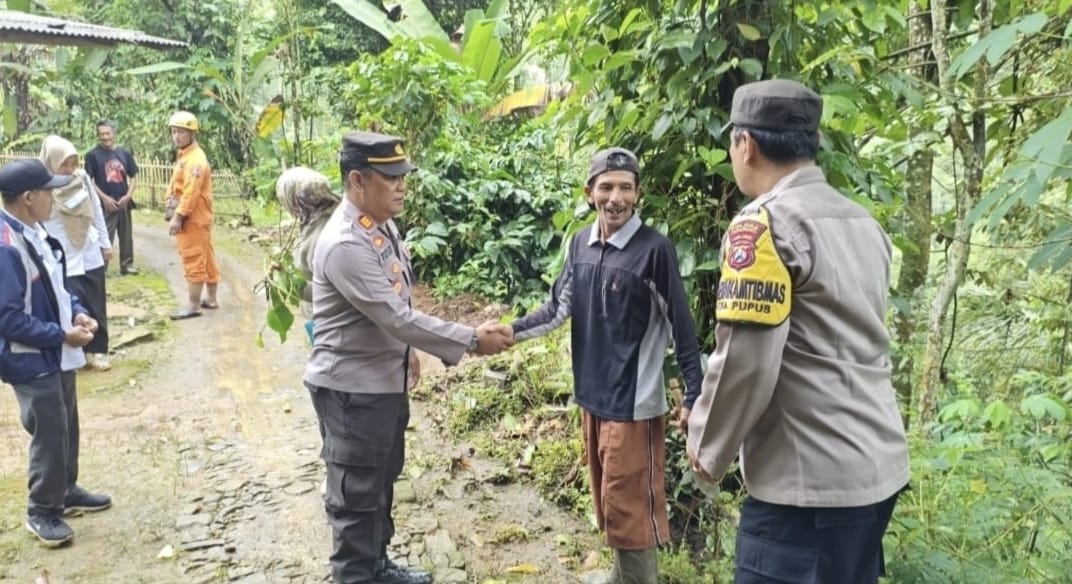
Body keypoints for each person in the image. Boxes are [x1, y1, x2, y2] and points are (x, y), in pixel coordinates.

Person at [686, 79, 910, 584]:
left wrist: (705, 450)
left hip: (807, 492)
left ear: (746, 144)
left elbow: (745, 362)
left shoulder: (764, 225)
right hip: (877, 473)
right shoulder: (861, 222)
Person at [304, 131, 514, 584]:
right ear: (357, 180)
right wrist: (471, 339)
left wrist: (409, 353)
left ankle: (377, 565)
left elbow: (397, 305)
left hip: (382, 384)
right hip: (351, 393)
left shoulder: (381, 225)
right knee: (354, 501)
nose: (401, 186)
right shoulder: (345, 243)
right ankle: (357, 575)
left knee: (380, 485)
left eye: (404, 177)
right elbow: (395, 316)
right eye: (391, 177)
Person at [509, 147, 705, 584]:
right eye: (606, 187)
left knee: (631, 510)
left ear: (638, 194)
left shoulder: (654, 250)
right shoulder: (580, 242)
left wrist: (693, 393)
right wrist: (508, 333)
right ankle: (620, 576)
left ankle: (636, 579)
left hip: (632, 405)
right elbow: (557, 309)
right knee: (610, 502)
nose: (616, 197)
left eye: (626, 188)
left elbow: (682, 327)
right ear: (589, 192)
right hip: (592, 397)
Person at [0, 159, 113, 548]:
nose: (56, 197)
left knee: (65, 422)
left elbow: (58, 286)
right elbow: (9, 319)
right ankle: (42, 511)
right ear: (29, 198)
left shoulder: (36, 231)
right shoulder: (6, 248)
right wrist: (61, 334)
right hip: (31, 356)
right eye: (50, 191)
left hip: (56, 350)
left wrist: (78, 312)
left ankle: (65, 489)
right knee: (48, 430)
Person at [40, 135, 114, 372]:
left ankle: (95, 352)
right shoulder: (42, 188)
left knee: (95, 304)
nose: (70, 169)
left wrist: (105, 243)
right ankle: (74, 354)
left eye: (73, 162)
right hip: (63, 256)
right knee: (69, 306)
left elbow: (96, 212)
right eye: (64, 164)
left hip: (89, 252)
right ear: (51, 163)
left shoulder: (81, 179)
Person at [275, 166, 340, 343]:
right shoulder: (329, 218)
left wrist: (289, 282)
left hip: (331, 326)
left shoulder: (321, 235)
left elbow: (330, 290)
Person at [165, 110, 220, 320]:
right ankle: (212, 298)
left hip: (192, 219)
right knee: (206, 257)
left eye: (181, 132)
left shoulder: (195, 160)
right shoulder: (186, 156)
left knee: (193, 258)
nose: (176, 136)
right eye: (174, 132)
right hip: (198, 219)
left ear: (192, 133)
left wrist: (178, 217)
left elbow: (191, 192)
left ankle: (194, 305)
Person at [84, 119, 140, 275]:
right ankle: (102, 266)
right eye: (101, 134)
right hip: (105, 204)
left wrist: (128, 196)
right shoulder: (92, 156)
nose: (105, 137)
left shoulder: (124, 153)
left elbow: (134, 176)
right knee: (104, 234)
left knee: (126, 235)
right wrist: (104, 198)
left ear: (114, 134)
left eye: (107, 133)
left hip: (123, 201)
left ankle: (127, 264)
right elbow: (89, 181)